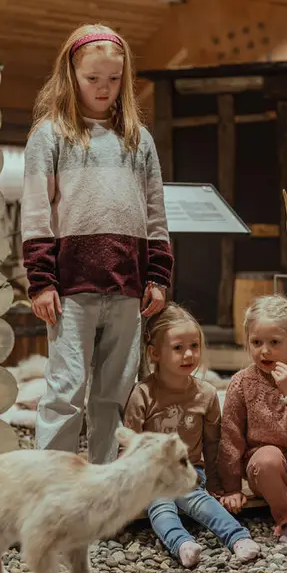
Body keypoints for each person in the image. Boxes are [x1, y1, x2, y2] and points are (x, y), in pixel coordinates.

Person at [21, 23, 174, 464]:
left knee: (114, 393)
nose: (103, 88)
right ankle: (50, 488)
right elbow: (35, 213)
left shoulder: (137, 139)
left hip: (128, 286)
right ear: (71, 73)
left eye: (113, 79)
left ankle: (105, 486)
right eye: (93, 79)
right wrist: (41, 281)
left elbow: (155, 214)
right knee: (66, 391)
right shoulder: (49, 135)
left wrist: (158, 277)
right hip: (71, 287)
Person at [123, 303, 260, 568]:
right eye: (178, 348)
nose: (189, 354)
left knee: (195, 498)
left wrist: (217, 483)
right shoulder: (143, 394)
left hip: (189, 471)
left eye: (194, 346)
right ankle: (182, 544)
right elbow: (130, 443)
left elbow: (213, 443)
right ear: (154, 353)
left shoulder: (206, 394)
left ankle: (237, 537)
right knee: (160, 505)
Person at [218, 295, 287, 544]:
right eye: (256, 342)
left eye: (274, 342)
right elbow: (230, 436)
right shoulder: (242, 382)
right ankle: (286, 519)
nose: (265, 350)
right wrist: (231, 488)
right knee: (268, 456)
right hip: (265, 471)